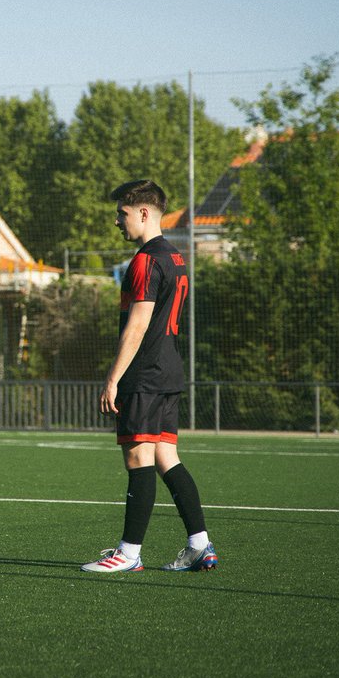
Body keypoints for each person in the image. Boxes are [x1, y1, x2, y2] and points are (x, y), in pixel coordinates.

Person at [82, 179, 218, 573]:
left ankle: (128, 552)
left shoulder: (145, 260)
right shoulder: (176, 257)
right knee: (165, 456)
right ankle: (200, 544)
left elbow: (138, 325)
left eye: (122, 214)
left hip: (145, 374)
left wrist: (113, 378)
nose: (116, 221)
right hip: (169, 371)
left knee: (138, 456)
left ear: (144, 212)